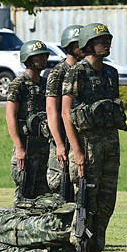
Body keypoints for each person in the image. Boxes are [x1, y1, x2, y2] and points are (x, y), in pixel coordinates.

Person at [62, 23, 126, 252]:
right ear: (89, 43)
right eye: (102, 40)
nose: (107, 43)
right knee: (86, 201)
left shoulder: (111, 73)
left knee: (106, 201)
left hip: (110, 144)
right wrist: (76, 151)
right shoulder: (76, 72)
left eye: (108, 39)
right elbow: (66, 113)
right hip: (86, 145)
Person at [6, 40, 51, 203]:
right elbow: (10, 116)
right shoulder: (19, 84)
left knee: (44, 193)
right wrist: (19, 147)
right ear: (29, 59)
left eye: (45, 56)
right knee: (23, 192)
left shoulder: (46, 84)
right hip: (26, 144)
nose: (44, 59)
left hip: (44, 146)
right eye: (40, 56)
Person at [46, 25, 84, 196]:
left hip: (80, 137)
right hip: (62, 139)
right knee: (60, 190)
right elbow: (52, 111)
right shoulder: (58, 73)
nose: (84, 46)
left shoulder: (84, 71)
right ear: (69, 46)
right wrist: (60, 144)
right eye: (80, 43)